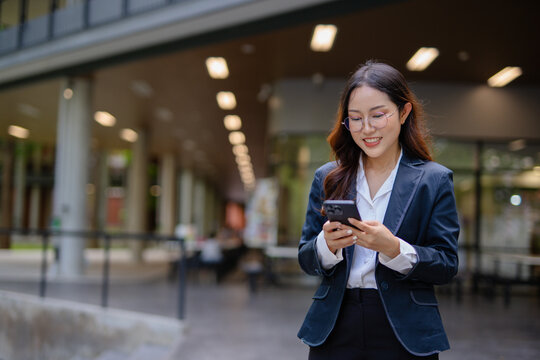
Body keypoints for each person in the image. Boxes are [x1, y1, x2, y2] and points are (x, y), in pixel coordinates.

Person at [297, 61, 459, 360]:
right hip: (335, 324)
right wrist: (326, 246)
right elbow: (306, 258)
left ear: (404, 112)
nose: (366, 129)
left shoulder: (433, 180)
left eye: (378, 115)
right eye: (355, 118)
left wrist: (394, 248)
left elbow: (447, 264)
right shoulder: (328, 177)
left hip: (404, 329)